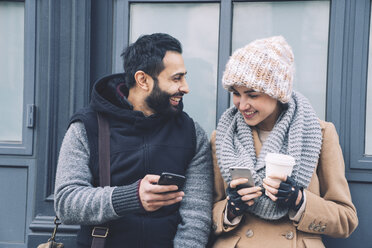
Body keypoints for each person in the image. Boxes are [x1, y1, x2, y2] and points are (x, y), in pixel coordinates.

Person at [54, 33, 213, 248]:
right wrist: (131, 197)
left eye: (184, 77)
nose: (185, 87)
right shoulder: (87, 127)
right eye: (176, 78)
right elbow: (66, 202)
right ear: (143, 80)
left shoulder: (191, 132)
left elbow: (196, 214)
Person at [210, 36, 358, 247]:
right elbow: (207, 213)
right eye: (236, 94)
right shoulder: (223, 137)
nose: (242, 105)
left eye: (252, 95)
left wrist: (299, 200)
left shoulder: (321, 133)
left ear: (277, 93)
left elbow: (346, 220)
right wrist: (231, 209)